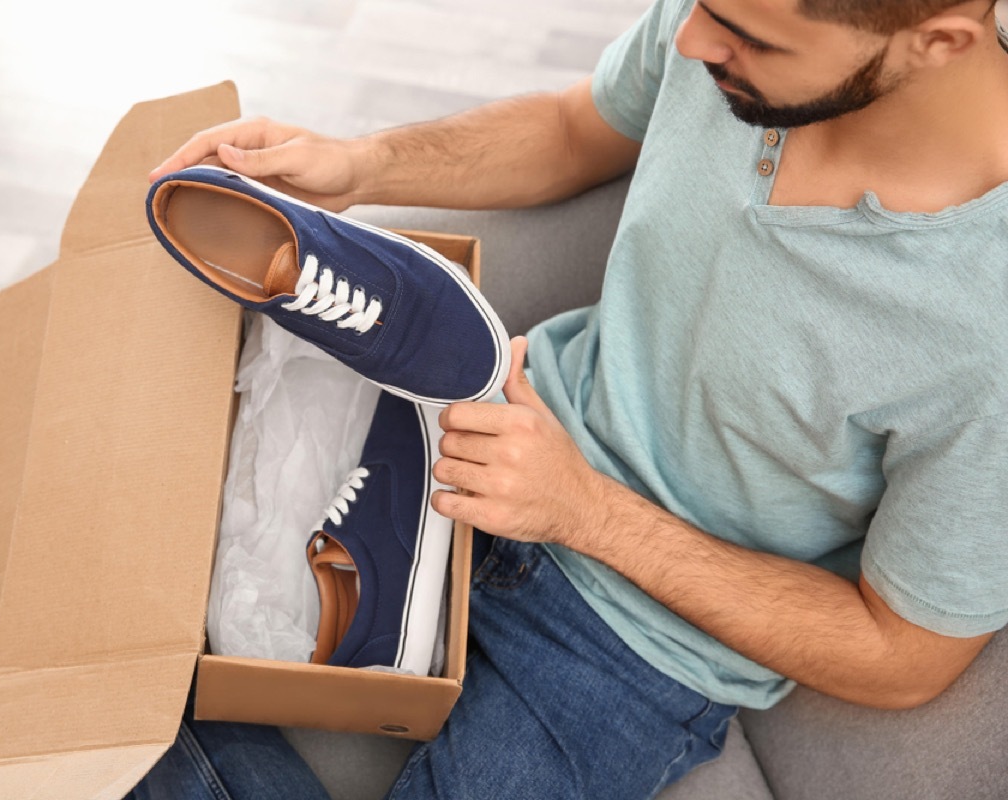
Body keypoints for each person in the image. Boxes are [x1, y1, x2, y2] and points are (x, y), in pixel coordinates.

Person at [127, 0, 1008, 796]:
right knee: (56, 647)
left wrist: (582, 509)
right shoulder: (728, 19)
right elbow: (570, 130)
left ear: (940, 40)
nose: (692, 38)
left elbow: (905, 656)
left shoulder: (986, 326)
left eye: (749, 37)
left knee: (92, 708)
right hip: (493, 427)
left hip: (636, 647)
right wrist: (363, 164)